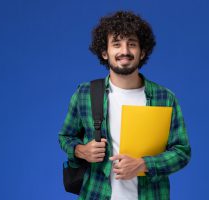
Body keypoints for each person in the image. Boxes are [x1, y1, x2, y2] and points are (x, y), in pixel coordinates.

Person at [59, 10, 191, 200]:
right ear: (105, 52)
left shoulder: (165, 98)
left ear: (142, 52)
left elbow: (182, 152)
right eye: (116, 44)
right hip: (96, 194)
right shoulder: (85, 94)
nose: (125, 51)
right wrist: (81, 150)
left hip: (150, 195)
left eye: (132, 44)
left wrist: (144, 165)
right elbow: (65, 137)